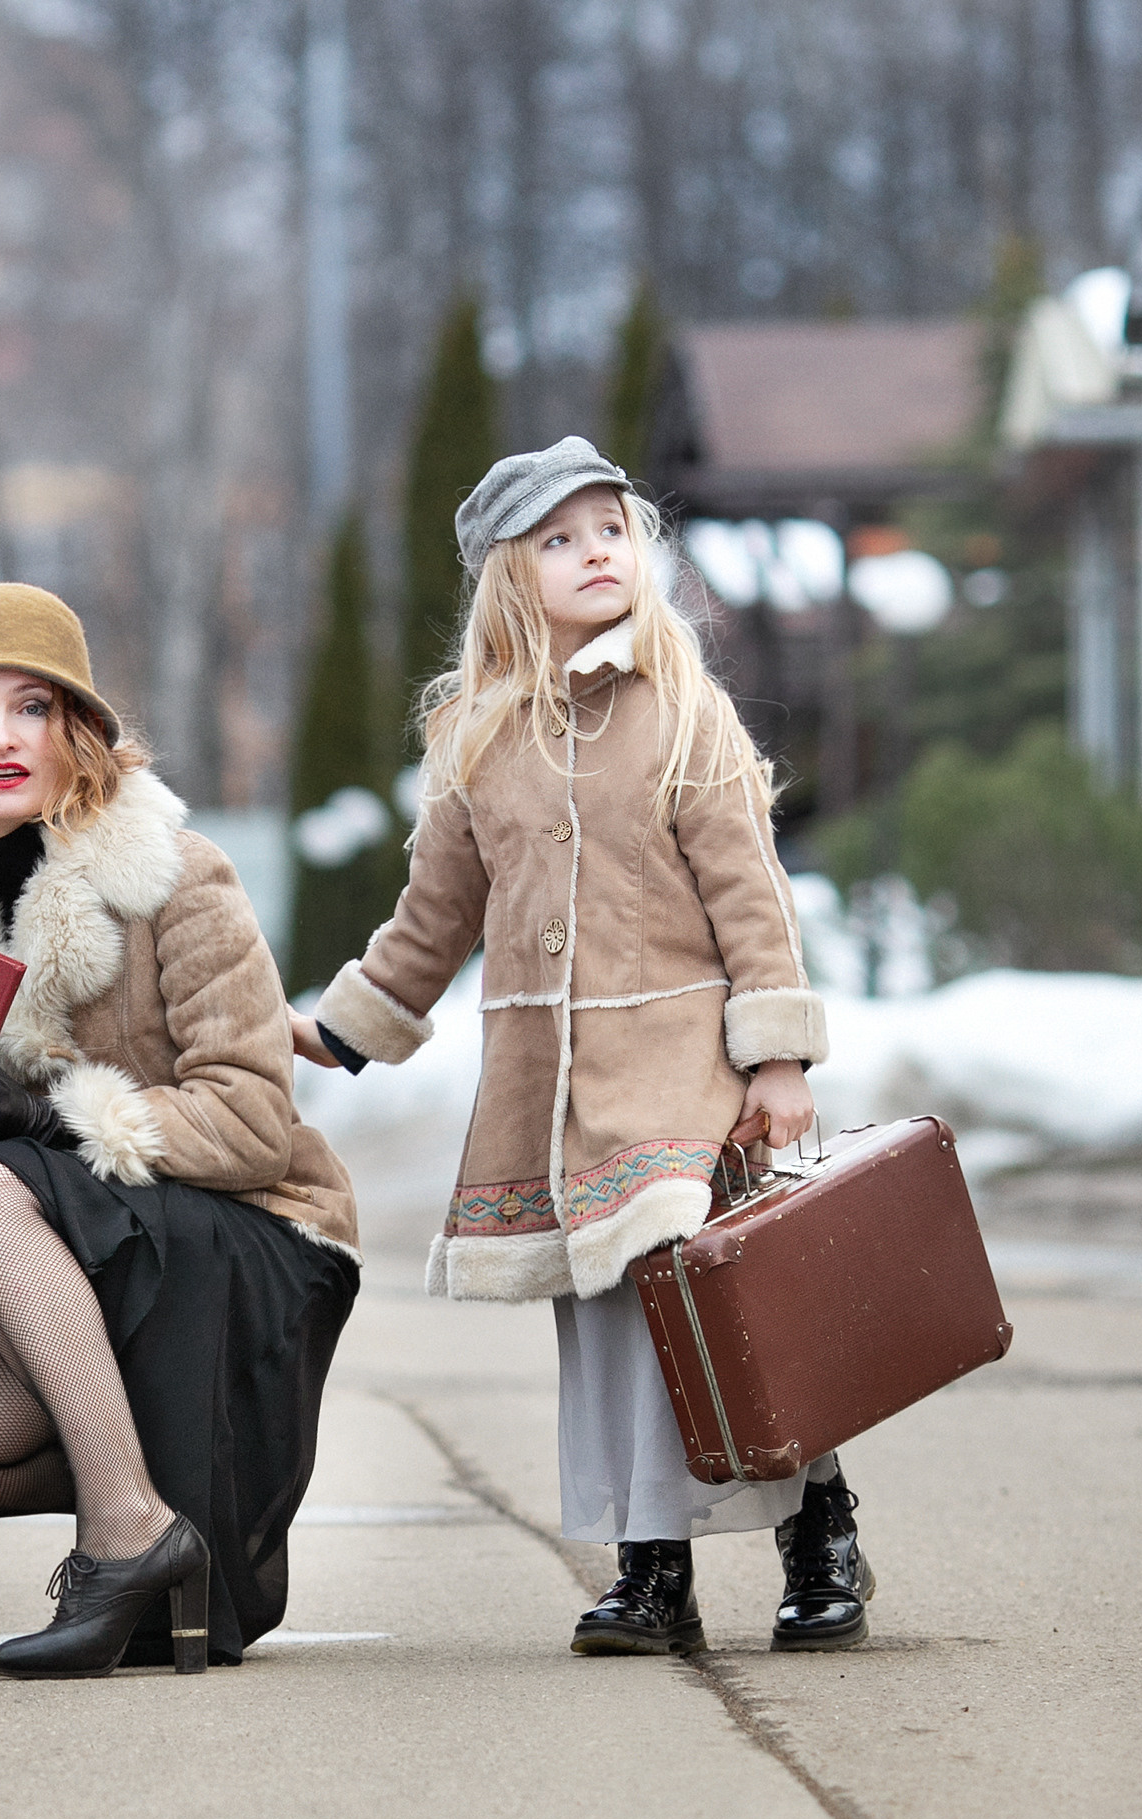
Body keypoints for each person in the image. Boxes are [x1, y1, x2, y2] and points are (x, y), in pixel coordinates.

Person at [298, 438, 870, 1654]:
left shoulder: (682, 709)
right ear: (513, 577)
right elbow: (433, 918)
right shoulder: (473, 739)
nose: (594, 552)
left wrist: (774, 1056)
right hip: (551, 1091)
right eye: (558, 539)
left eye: (609, 528)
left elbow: (751, 893)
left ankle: (815, 1522)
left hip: (680, 1064)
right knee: (609, 1320)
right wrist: (339, 1031)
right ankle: (650, 1567)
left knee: (717, 1298)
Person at [0, 585, 360, 1678]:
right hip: (109, 1263)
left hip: (253, 1235)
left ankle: (125, 1536)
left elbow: (256, 1124)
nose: (2, 736)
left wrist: (45, 1116)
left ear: (80, 730)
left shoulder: (177, 874)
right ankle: (163, 1492)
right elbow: (5, 1199)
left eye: (32, 706)